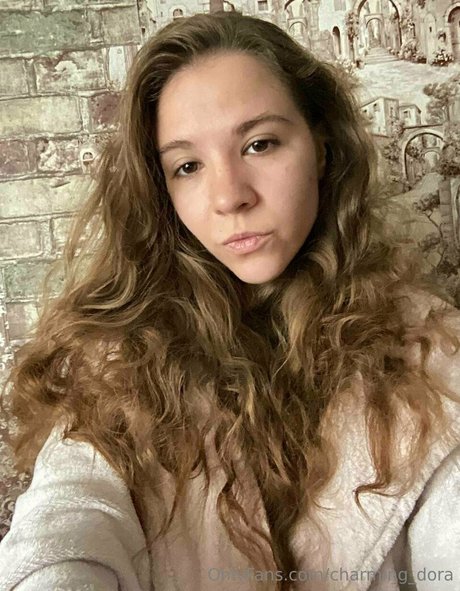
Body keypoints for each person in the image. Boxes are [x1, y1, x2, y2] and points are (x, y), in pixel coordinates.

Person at [0, 11, 459, 591]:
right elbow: (69, 521)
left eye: (259, 144)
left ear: (321, 146)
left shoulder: (429, 352)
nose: (228, 197)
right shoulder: (115, 360)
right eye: (187, 166)